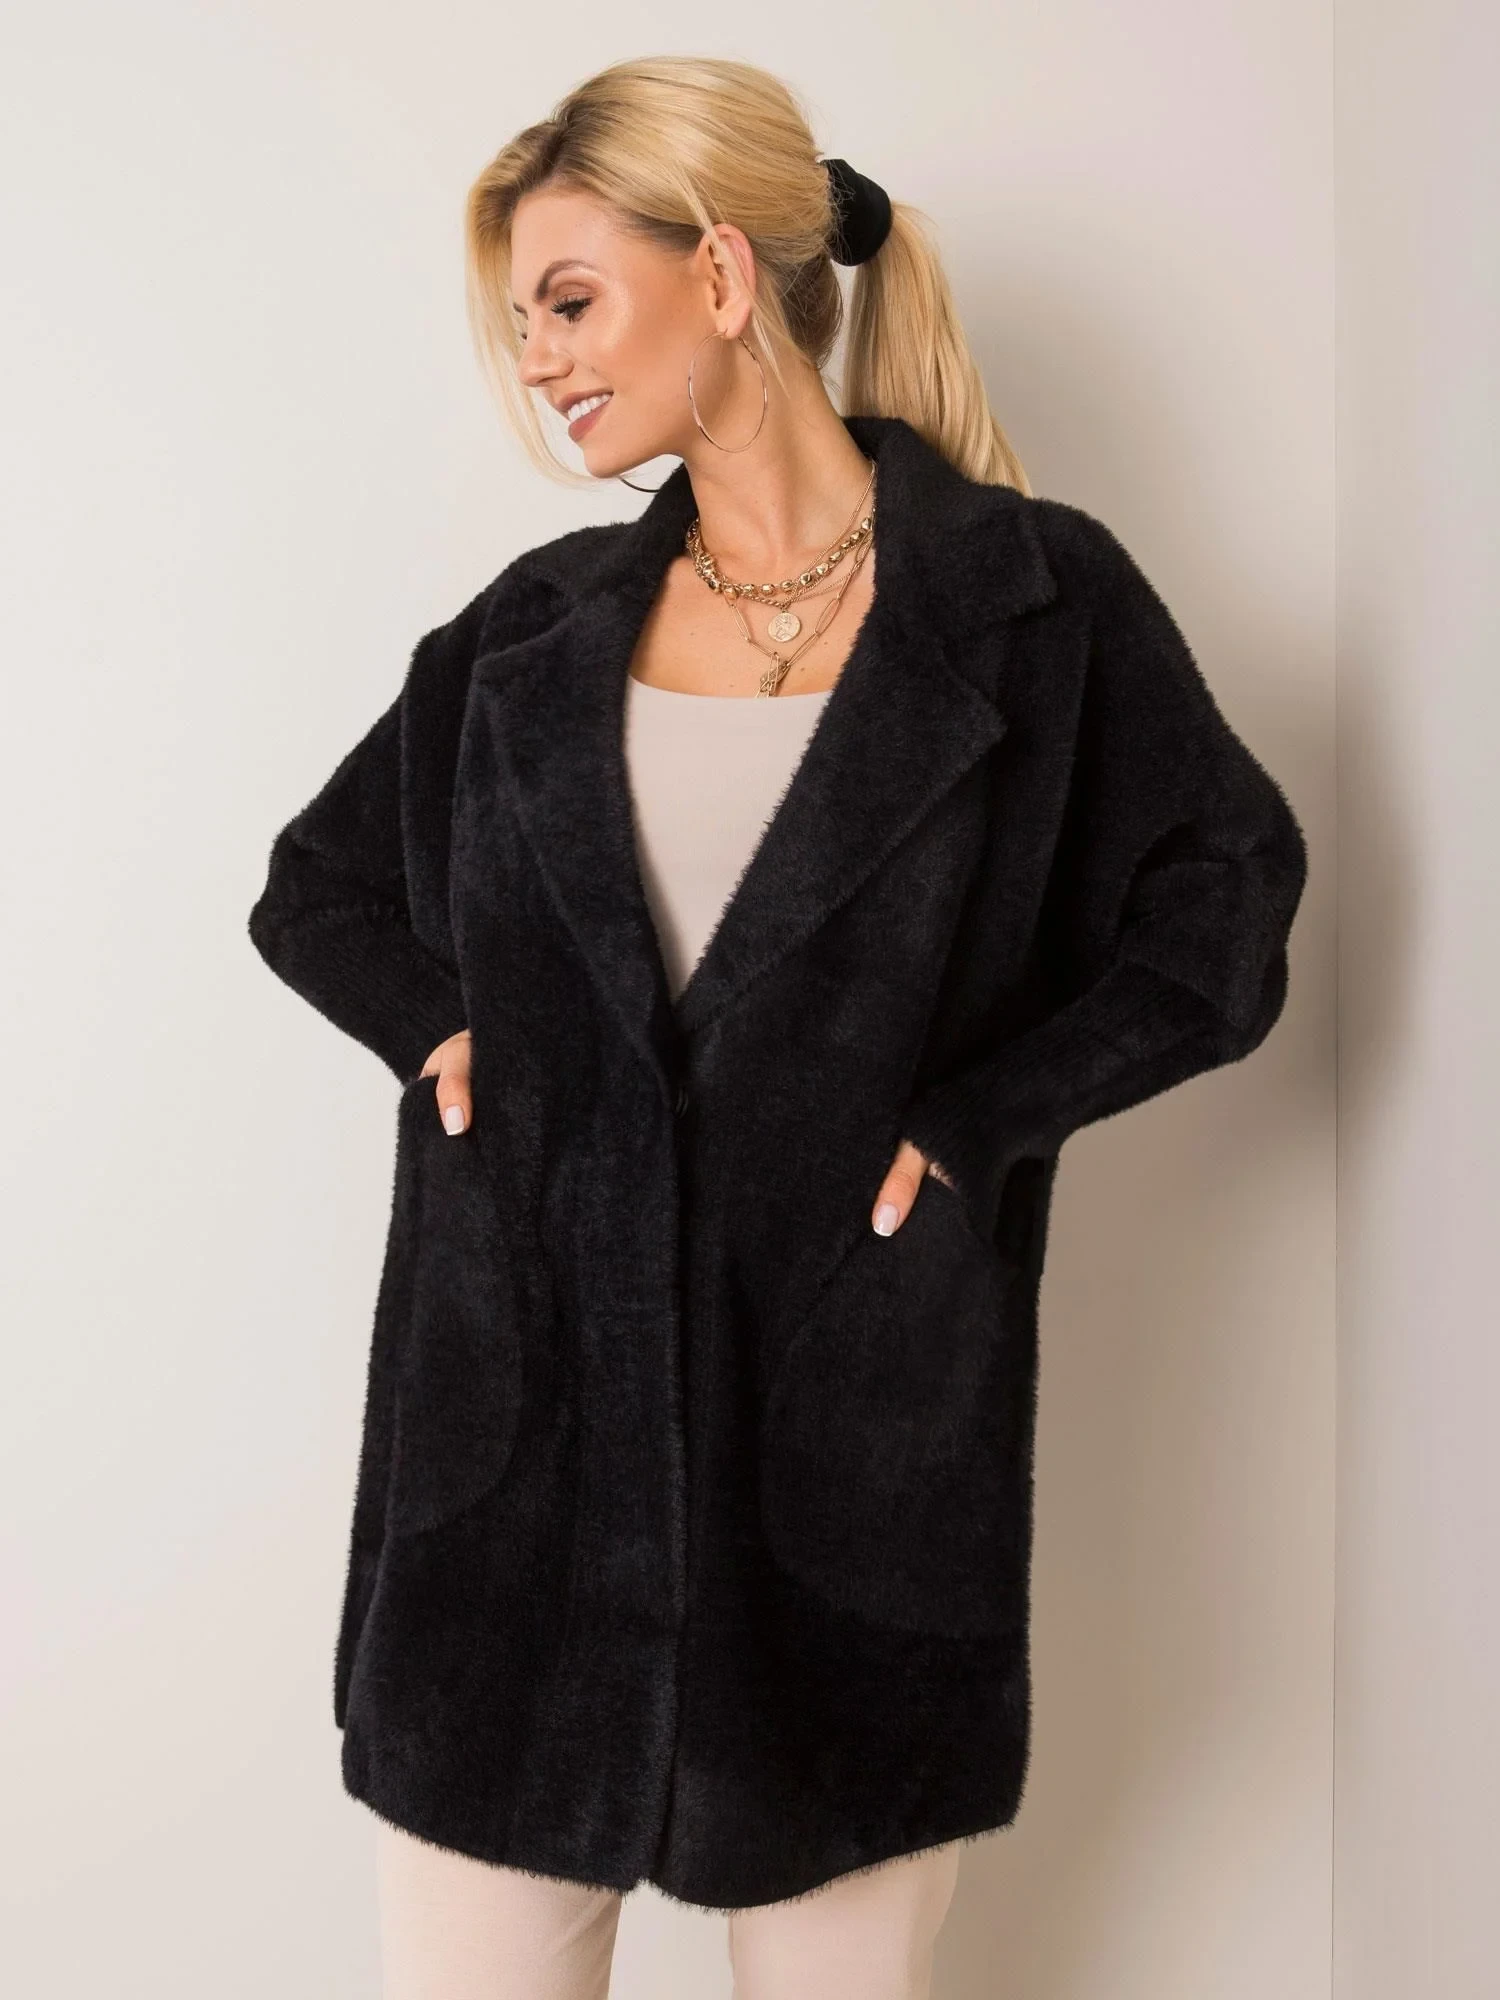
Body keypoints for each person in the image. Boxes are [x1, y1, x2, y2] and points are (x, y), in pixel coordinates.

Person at [247, 55, 1308, 2000]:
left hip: (852, 1483)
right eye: (523, 320)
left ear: (724, 275)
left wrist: (988, 1119)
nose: (538, 361)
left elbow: (1226, 904)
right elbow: (312, 886)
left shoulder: (1031, 606)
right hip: (508, 1490)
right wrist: (436, 1029)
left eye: (570, 300)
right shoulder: (529, 634)